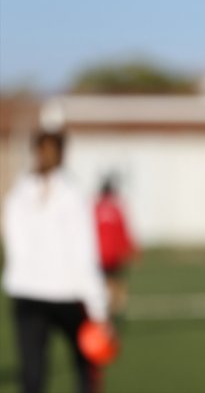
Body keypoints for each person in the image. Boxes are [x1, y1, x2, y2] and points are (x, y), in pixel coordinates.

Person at [2, 130, 110, 393]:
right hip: (66, 294)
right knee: (84, 369)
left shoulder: (18, 194)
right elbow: (84, 252)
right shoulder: (69, 194)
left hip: (28, 293)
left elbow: (12, 243)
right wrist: (99, 308)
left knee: (33, 374)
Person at [94, 175, 137, 325]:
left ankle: (103, 313)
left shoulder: (95, 208)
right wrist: (131, 250)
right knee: (117, 286)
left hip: (99, 255)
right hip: (114, 255)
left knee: (103, 286)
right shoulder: (116, 208)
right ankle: (112, 312)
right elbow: (124, 231)